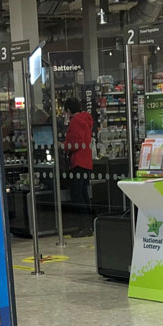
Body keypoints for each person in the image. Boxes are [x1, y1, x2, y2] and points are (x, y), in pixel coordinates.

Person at [62, 97, 94, 237]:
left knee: (76, 195)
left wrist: (63, 146)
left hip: (78, 162)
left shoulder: (75, 121)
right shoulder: (85, 120)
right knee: (83, 194)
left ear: (69, 110)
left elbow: (76, 143)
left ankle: (84, 226)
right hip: (86, 161)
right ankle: (89, 225)